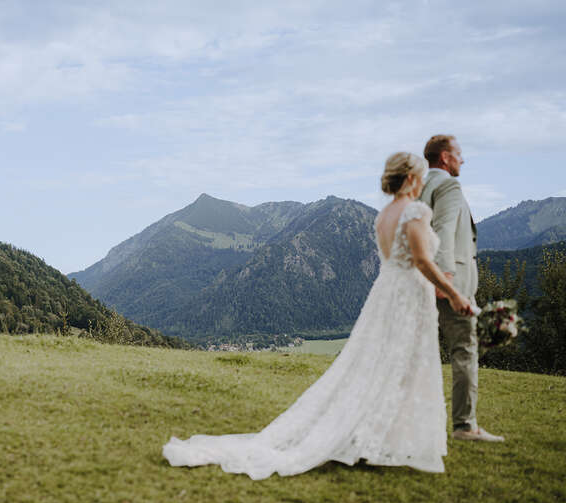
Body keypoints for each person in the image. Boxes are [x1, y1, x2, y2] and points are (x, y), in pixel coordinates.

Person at [162, 153, 473, 479]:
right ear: (411, 178)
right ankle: (385, 440)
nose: (423, 182)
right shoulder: (415, 211)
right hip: (408, 295)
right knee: (404, 364)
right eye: (421, 176)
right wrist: (453, 294)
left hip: (386, 295)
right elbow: (422, 261)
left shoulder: (383, 216)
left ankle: (374, 437)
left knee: (379, 364)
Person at [420, 135, 503, 442]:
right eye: (458, 154)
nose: (462, 160)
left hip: (420, 280)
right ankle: (465, 426)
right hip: (449, 282)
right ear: (444, 157)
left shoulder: (418, 186)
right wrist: (446, 281)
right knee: (464, 351)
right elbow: (441, 230)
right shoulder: (448, 186)